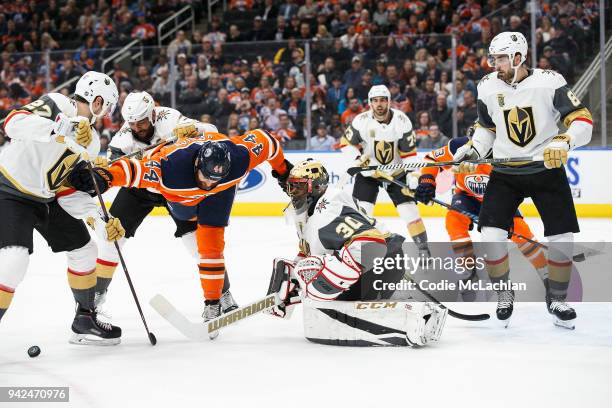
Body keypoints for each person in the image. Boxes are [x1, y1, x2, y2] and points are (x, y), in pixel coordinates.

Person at [70, 129, 293, 338]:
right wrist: (105, 176)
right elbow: (134, 171)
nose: (208, 183)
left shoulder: (239, 157)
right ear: (196, 164)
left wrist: (283, 170)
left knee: (210, 246)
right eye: (205, 177)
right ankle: (97, 294)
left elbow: (268, 142)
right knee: (116, 240)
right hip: (176, 197)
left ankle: (213, 303)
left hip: (220, 194)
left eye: (214, 178)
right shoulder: (171, 166)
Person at [453, 32, 593, 328]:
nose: (495, 64)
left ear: (518, 57)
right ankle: (504, 292)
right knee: (491, 234)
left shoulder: (549, 81)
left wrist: (565, 141)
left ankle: (557, 298)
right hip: (505, 172)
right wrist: (474, 149)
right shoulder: (487, 86)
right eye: (493, 58)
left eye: (501, 58)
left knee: (561, 235)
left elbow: (582, 119)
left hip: (545, 167)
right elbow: (487, 128)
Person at [0, 71, 125, 345]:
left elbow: (68, 192)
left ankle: (84, 319)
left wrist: (100, 219)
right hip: (9, 189)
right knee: (13, 261)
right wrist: (62, 127)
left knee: (85, 249)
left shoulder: (91, 141)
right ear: (98, 100)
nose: (107, 114)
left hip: (46, 198)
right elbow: (12, 123)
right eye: (108, 106)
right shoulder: (58, 103)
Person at [265, 159, 447, 347]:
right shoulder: (314, 211)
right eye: (291, 187)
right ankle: (393, 297)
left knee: (309, 269)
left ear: (317, 187)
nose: (293, 193)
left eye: (299, 187)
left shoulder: (327, 212)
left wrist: (315, 280)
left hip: (381, 261)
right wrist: (295, 282)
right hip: (385, 260)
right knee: (295, 268)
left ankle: (402, 314)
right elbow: (309, 252)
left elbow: (372, 245)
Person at [93, 91, 240, 317]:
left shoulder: (170, 118)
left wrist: (195, 129)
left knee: (196, 242)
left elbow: (213, 132)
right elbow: (112, 172)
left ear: (152, 114)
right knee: (111, 240)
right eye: (133, 124)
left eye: (142, 121)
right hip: (141, 186)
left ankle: (222, 293)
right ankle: (96, 296)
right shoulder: (122, 139)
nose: (138, 127)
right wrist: (103, 168)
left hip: (175, 184)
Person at [415, 135, 549, 302]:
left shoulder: (505, 151)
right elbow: (432, 158)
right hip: (466, 196)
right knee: (454, 220)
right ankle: (468, 271)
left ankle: (546, 273)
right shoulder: (459, 146)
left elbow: (520, 183)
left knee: (520, 230)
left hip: (499, 198)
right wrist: (427, 181)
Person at [340, 85, 430, 258]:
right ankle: (358, 254)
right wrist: (358, 160)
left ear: (389, 101)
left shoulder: (402, 121)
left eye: (382, 100)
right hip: (369, 175)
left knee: (410, 211)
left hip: (396, 172)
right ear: (370, 103)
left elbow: (409, 154)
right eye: (375, 100)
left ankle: (423, 249)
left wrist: (412, 175)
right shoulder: (361, 121)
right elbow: (345, 143)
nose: (379, 104)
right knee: (362, 214)